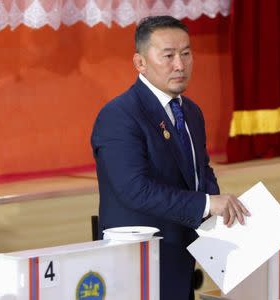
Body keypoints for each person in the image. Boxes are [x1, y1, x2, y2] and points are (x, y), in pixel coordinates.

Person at [91, 15, 249, 300]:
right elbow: (135, 189)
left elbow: (200, 171)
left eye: (186, 54)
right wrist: (206, 203)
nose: (180, 65)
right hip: (139, 262)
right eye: (168, 56)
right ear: (140, 63)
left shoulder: (190, 111)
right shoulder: (119, 115)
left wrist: (221, 212)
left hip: (182, 255)